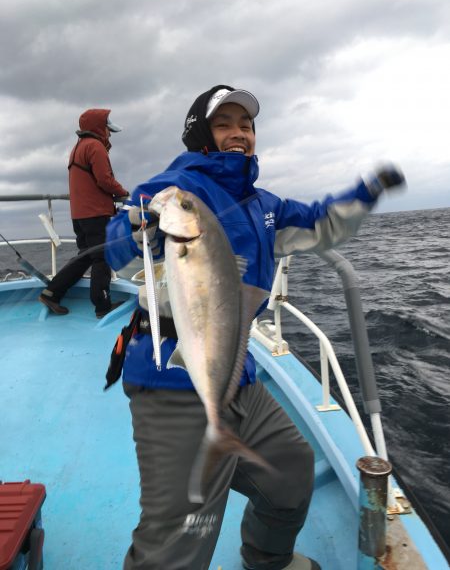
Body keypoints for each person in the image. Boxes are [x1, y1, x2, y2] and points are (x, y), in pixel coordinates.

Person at [105, 85, 405, 570]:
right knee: (179, 532)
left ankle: (267, 559)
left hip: (236, 370)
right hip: (171, 373)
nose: (239, 133)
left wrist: (367, 191)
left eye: (246, 125)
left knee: (291, 472)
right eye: (225, 124)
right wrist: (140, 227)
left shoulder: (263, 204)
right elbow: (119, 251)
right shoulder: (172, 191)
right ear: (200, 133)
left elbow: (320, 222)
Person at [39, 108, 128, 319]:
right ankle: (102, 306)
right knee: (101, 258)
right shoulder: (95, 146)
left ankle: (52, 292)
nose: (109, 134)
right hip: (95, 213)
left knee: (86, 256)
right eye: (108, 129)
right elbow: (104, 180)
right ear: (99, 128)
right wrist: (124, 193)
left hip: (79, 215)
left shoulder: (78, 147)